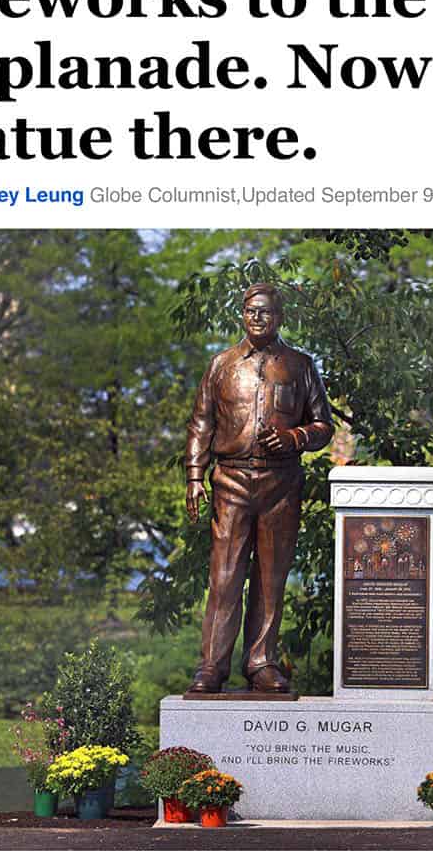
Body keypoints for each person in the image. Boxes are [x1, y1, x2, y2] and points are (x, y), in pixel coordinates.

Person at [184, 283, 334, 694]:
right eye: (251, 311)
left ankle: (261, 662)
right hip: (230, 481)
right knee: (226, 575)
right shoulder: (221, 365)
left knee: (271, 578)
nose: (257, 318)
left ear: (279, 317)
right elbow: (200, 425)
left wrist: (296, 438)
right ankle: (212, 666)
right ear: (242, 314)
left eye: (265, 312)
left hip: (281, 483)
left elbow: (324, 426)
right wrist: (195, 476)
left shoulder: (300, 366)